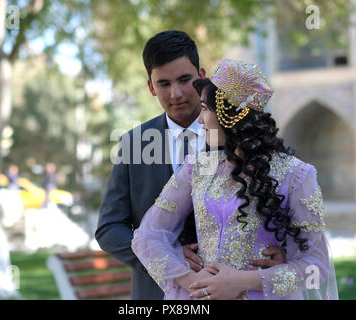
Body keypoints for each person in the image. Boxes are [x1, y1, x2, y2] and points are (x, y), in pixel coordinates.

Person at [96, 31, 286, 300]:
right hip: (156, 293)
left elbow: (279, 205)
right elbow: (109, 228)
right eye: (163, 83)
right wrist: (168, 259)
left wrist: (285, 250)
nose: (176, 93)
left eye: (185, 80)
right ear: (150, 87)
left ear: (201, 76)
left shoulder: (240, 138)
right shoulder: (133, 144)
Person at [132, 59, 338, 300]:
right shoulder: (198, 168)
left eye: (205, 109)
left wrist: (243, 281)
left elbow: (316, 267)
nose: (200, 120)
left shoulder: (296, 175)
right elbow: (147, 236)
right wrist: (193, 281)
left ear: (228, 114)